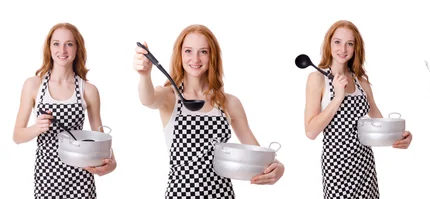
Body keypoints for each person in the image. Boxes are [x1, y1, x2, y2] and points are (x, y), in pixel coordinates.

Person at [133, 24, 285, 198]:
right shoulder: (169, 96)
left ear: (212, 56)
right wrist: (144, 75)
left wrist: (278, 168)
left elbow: (258, 156)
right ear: (179, 54)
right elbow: (148, 99)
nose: (195, 59)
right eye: (188, 51)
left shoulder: (229, 102)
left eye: (203, 52)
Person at [303, 20, 414, 199]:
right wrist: (337, 97)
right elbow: (310, 131)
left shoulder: (361, 81)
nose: (343, 49)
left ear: (356, 48)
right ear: (329, 43)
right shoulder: (317, 79)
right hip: (337, 167)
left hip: (364, 163)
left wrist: (401, 136)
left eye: (350, 43)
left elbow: (378, 120)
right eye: (337, 42)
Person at [12, 22, 117, 199]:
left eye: (69, 44)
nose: (63, 50)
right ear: (49, 48)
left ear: (77, 49)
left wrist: (111, 163)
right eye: (56, 43)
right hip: (47, 179)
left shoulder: (88, 90)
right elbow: (17, 136)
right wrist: (36, 128)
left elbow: (99, 137)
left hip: (81, 178)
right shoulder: (34, 85)